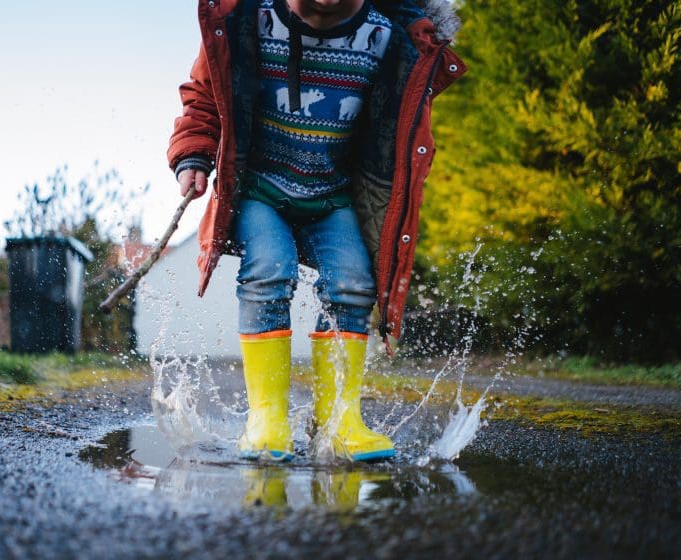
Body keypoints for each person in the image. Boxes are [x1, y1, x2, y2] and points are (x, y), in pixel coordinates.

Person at [167, 0, 466, 462]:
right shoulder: (246, 18)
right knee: (269, 268)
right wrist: (193, 155)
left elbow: (399, 122)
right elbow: (204, 96)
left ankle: (339, 420)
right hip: (262, 187)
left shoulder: (391, 36)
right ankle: (266, 420)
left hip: (334, 192)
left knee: (353, 283)